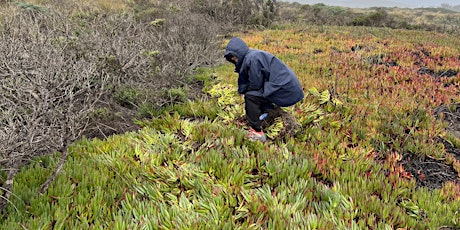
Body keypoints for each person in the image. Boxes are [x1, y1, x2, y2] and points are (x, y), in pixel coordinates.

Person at [224, 37, 304, 142]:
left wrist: (244, 93)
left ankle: (256, 132)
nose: (234, 60)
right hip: (288, 87)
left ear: (239, 53)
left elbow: (255, 84)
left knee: (251, 97)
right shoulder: (252, 55)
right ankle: (266, 115)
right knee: (257, 94)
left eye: (234, 57)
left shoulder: (252, 59)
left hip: (285, 89)